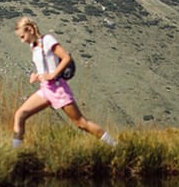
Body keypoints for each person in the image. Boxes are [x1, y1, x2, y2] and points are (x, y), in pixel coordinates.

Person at [11, 17, 117, 148]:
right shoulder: (34, 47)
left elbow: (66, 57)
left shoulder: (48, 40)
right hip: (45, 90)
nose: (22, 41)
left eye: (22, 36)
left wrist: (52, 75)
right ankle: (15, 153)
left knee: (80, 123)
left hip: (57, 89)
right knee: (20, 115)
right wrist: (36, 76)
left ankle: (115, 146)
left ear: (30, 30)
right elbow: (45, 68)